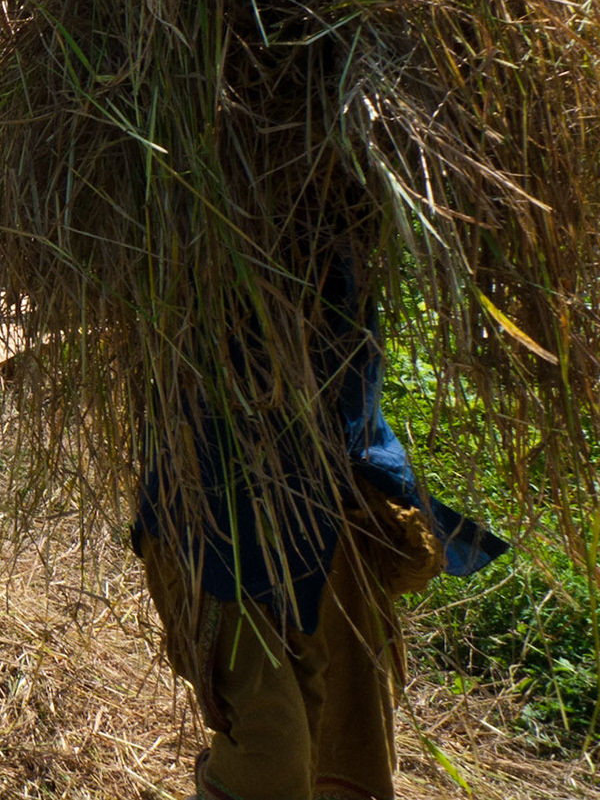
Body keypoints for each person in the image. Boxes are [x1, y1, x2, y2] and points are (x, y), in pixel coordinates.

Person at [134, 254, 506, 800]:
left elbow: (356, 399)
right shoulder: (200, 265)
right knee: (273, 761)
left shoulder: (343, 253)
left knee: (352, 754)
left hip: (334, 525)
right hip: (214, 530)